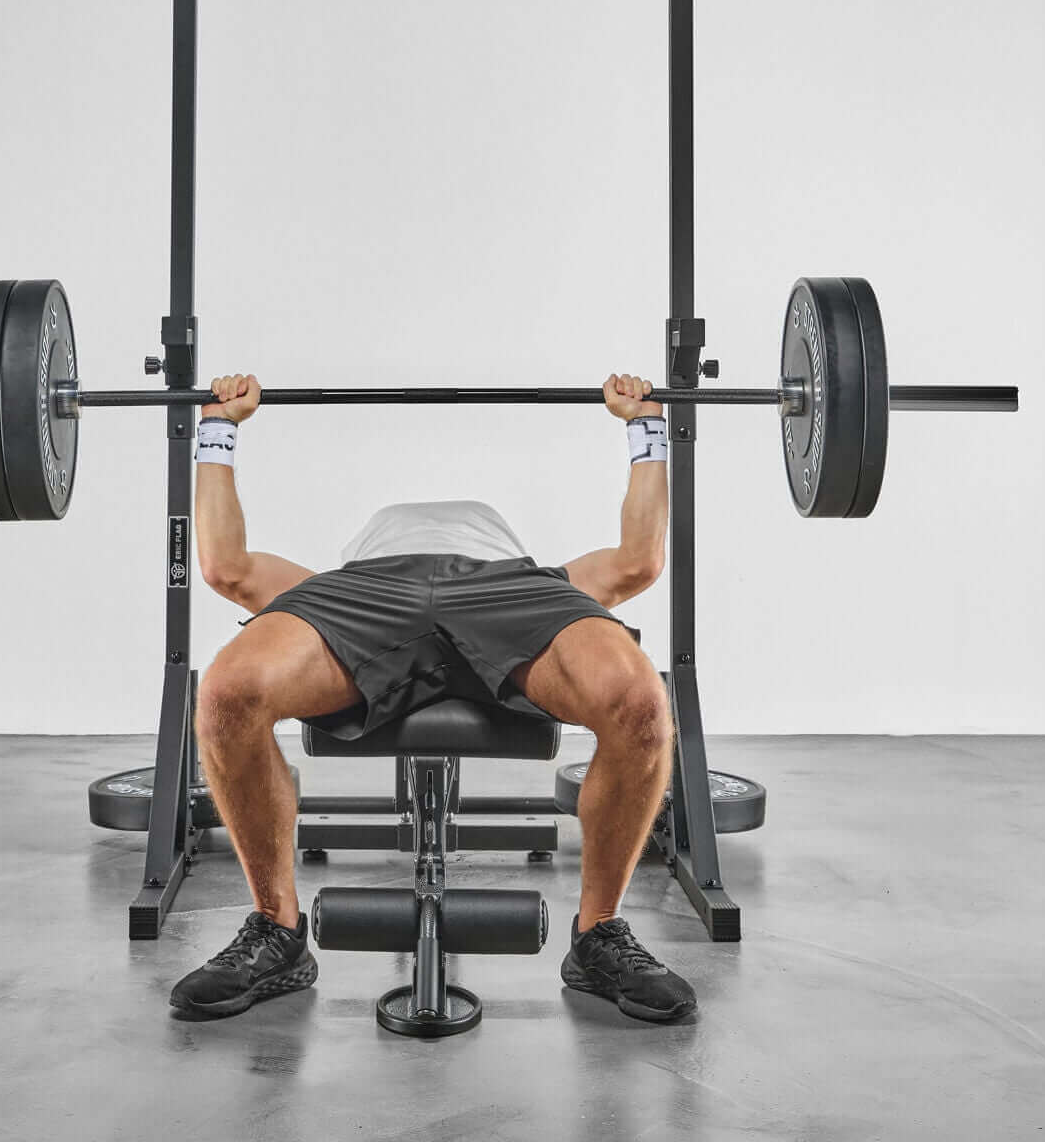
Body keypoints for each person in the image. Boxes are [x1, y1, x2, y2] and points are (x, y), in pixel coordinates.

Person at [169, 370, 697, 1026]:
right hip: (370, 592)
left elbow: (638, 561)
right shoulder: (336, 579)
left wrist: (643, 424)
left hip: (505, 589)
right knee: (228, 692)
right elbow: (226, 567)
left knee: (639, 700)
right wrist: (219, 428)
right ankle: (276, 931)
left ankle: (599, 936)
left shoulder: (535, 573)